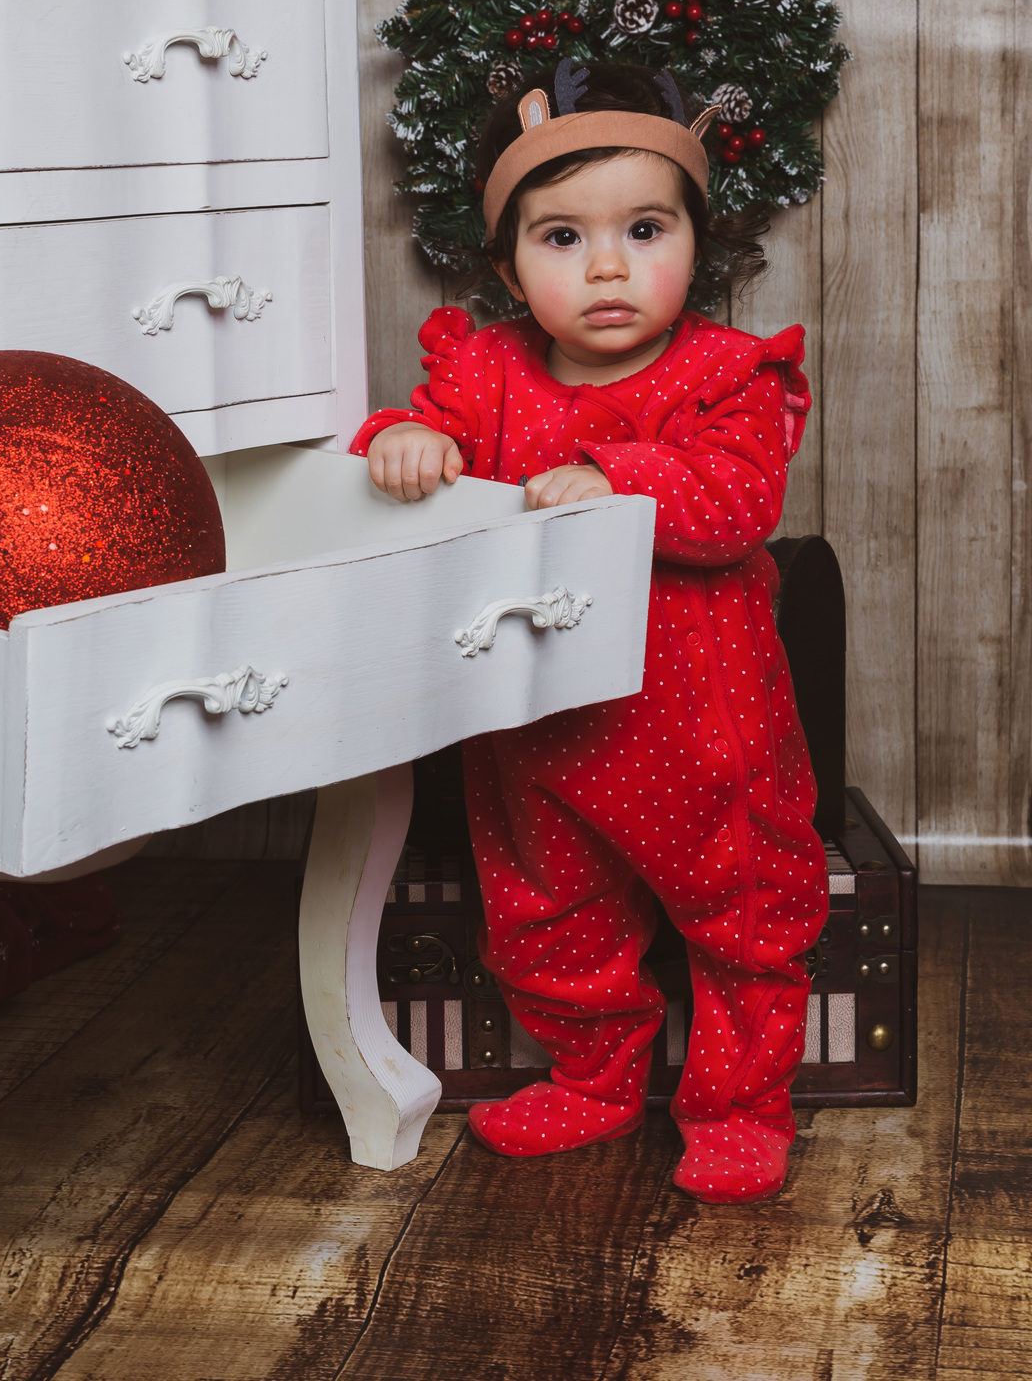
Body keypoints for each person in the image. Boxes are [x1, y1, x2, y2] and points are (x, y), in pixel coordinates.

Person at [351, 59, 829, 1201]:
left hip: (701, 730)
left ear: (695, 245)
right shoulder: (489, 370)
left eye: (644, 229)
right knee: (545, 913)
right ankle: (596, 1078)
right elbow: (424, 436)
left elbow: (735, 502)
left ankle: (738, 1102)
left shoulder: (728, 376)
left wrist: (615, 471)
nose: (607, 266)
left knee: (744, 914)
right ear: (508, 263)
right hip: (537, 727)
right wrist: (404, 446)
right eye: (561, 238)